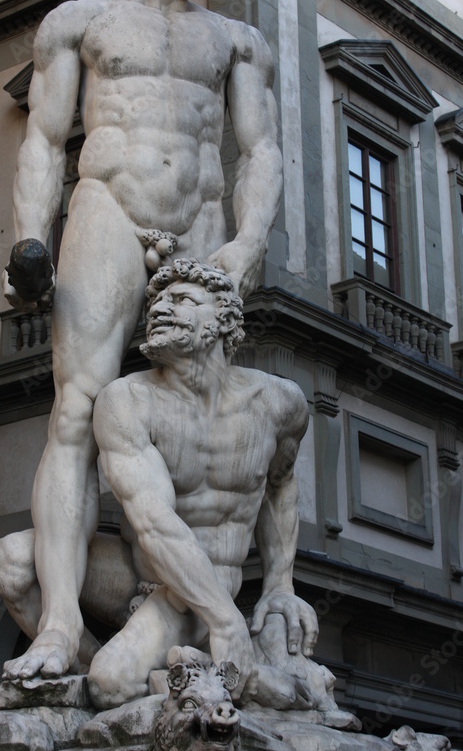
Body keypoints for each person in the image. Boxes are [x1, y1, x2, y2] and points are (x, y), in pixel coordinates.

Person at [1, 0, 283, 681]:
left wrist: (246, 243)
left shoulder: (236, 39)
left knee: (196, 416)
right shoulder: (78, 23)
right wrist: (29, 244)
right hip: (108, 211)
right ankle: (57, 627)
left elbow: (260, 149)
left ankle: (198, 616)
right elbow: (45, 143)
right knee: (77, 413)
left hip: (199, 222)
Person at [86, 259, 316, 706]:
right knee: (12, 562)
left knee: (110, 682)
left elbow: (281, 486)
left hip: (194, 592)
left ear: (225, 319)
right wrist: (229, 625)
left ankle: (156, 671)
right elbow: (153, 522)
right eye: (157, 302)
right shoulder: (127, 400)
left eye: (183, 300)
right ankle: (145, 671)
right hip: (139, 570)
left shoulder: (278, 403)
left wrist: (279, 585)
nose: (161, 309)